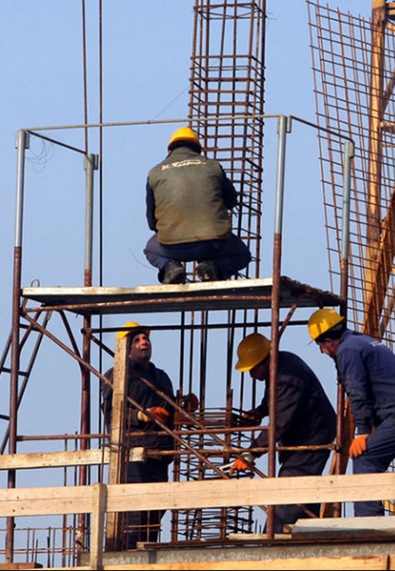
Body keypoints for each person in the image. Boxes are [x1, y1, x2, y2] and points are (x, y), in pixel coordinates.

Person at [307, 308, 395, 517]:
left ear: (328, 341)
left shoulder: (347, 351)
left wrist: (363, 432)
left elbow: (357, 393)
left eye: (320, 345)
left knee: (365, 458)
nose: (322, 352)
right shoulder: (361, 341)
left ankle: (370, 528)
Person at [229, 332, 336, 533]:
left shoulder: (285, 375)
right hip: (307, 435)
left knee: (288, 494)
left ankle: (273, 543)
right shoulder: (280, 365)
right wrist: (260, 411)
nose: (251, 375)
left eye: (253, 370)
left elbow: (280, 422)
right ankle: (305, 538)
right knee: (304, 493)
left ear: (264, 361)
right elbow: (274, 399)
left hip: (311, 437)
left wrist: (250, 454)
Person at [143, 126, 252, 284]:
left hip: (171, 247)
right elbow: (231, 201)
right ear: (198, 150)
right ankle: (212, 267)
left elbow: (151, 222)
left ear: (170, 151)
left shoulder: (155, 173)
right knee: (242, 254)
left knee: (151, 249)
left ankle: (170, 267)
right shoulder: (212, 166)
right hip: (214, 245)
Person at [101, 321, 176, 549]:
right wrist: (142, 416)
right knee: (133, 514)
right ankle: (127, 554)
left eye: (146, 338)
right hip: (132, 455)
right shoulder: (117, 375)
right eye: (136, 339)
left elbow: (170, 412)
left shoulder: (160, 377)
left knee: (153, 514)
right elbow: (113, 414)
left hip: (159, 454)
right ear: (126, 347)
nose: (144, 342)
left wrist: (183, 408)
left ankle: (145, 554)